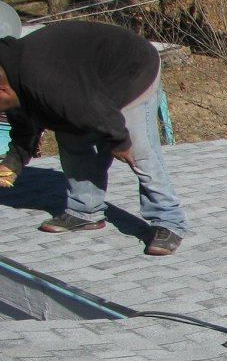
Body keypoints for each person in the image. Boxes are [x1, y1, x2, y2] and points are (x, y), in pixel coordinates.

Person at [0, 20, 187, 255]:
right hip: (85, 83)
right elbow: (24, 119)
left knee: (139, 151)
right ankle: (84, 211)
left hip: (130, 67)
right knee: (71, 137)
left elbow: (94, 108)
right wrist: (14, 160)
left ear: (3, 90)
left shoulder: (43, 80)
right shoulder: (10, 76)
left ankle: (169, 221)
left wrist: (118, 141)